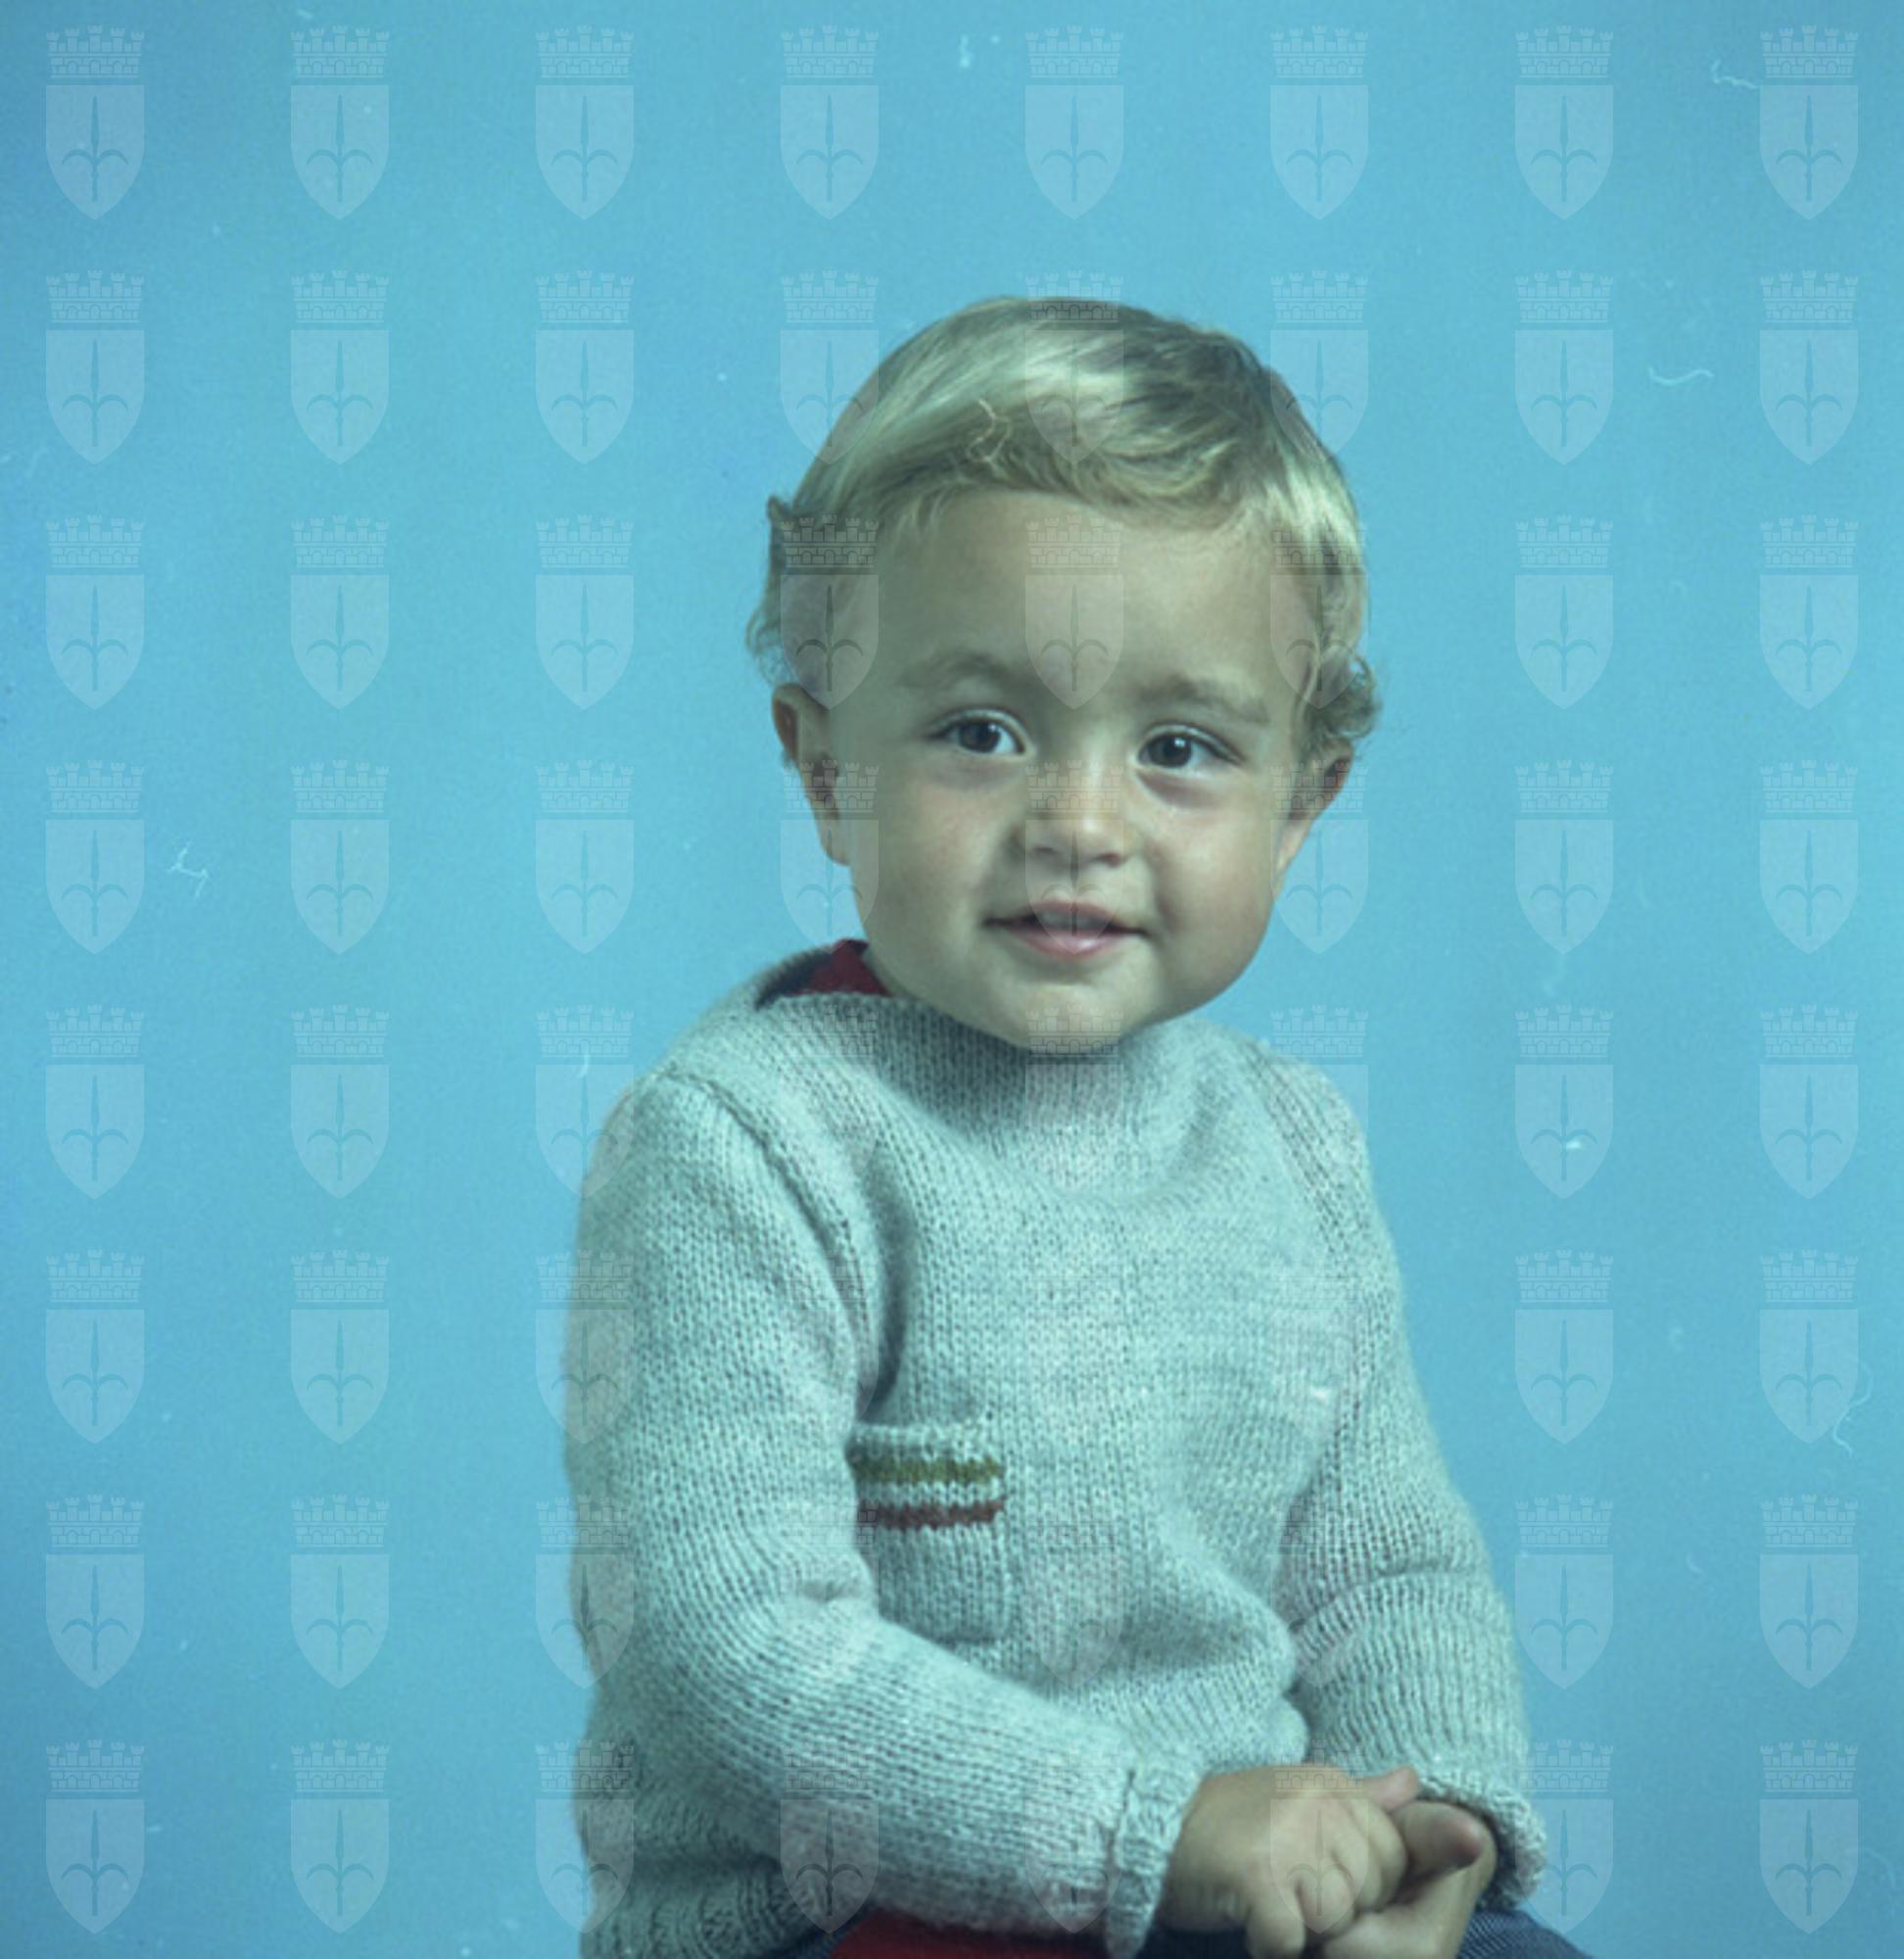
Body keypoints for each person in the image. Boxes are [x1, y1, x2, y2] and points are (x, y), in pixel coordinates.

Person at [561, 296, 1595, 1959]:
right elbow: (726, 1650)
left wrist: (1429, 1819)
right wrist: (1150, 1832)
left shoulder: (1291, 1146)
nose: (1080, 821)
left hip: (1233, 1900)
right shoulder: (746, 1142)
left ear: (1302, 801)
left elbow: (1387, 1569)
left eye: (1180, 749)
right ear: (825, 766)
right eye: (982, 732)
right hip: (857, 1912)